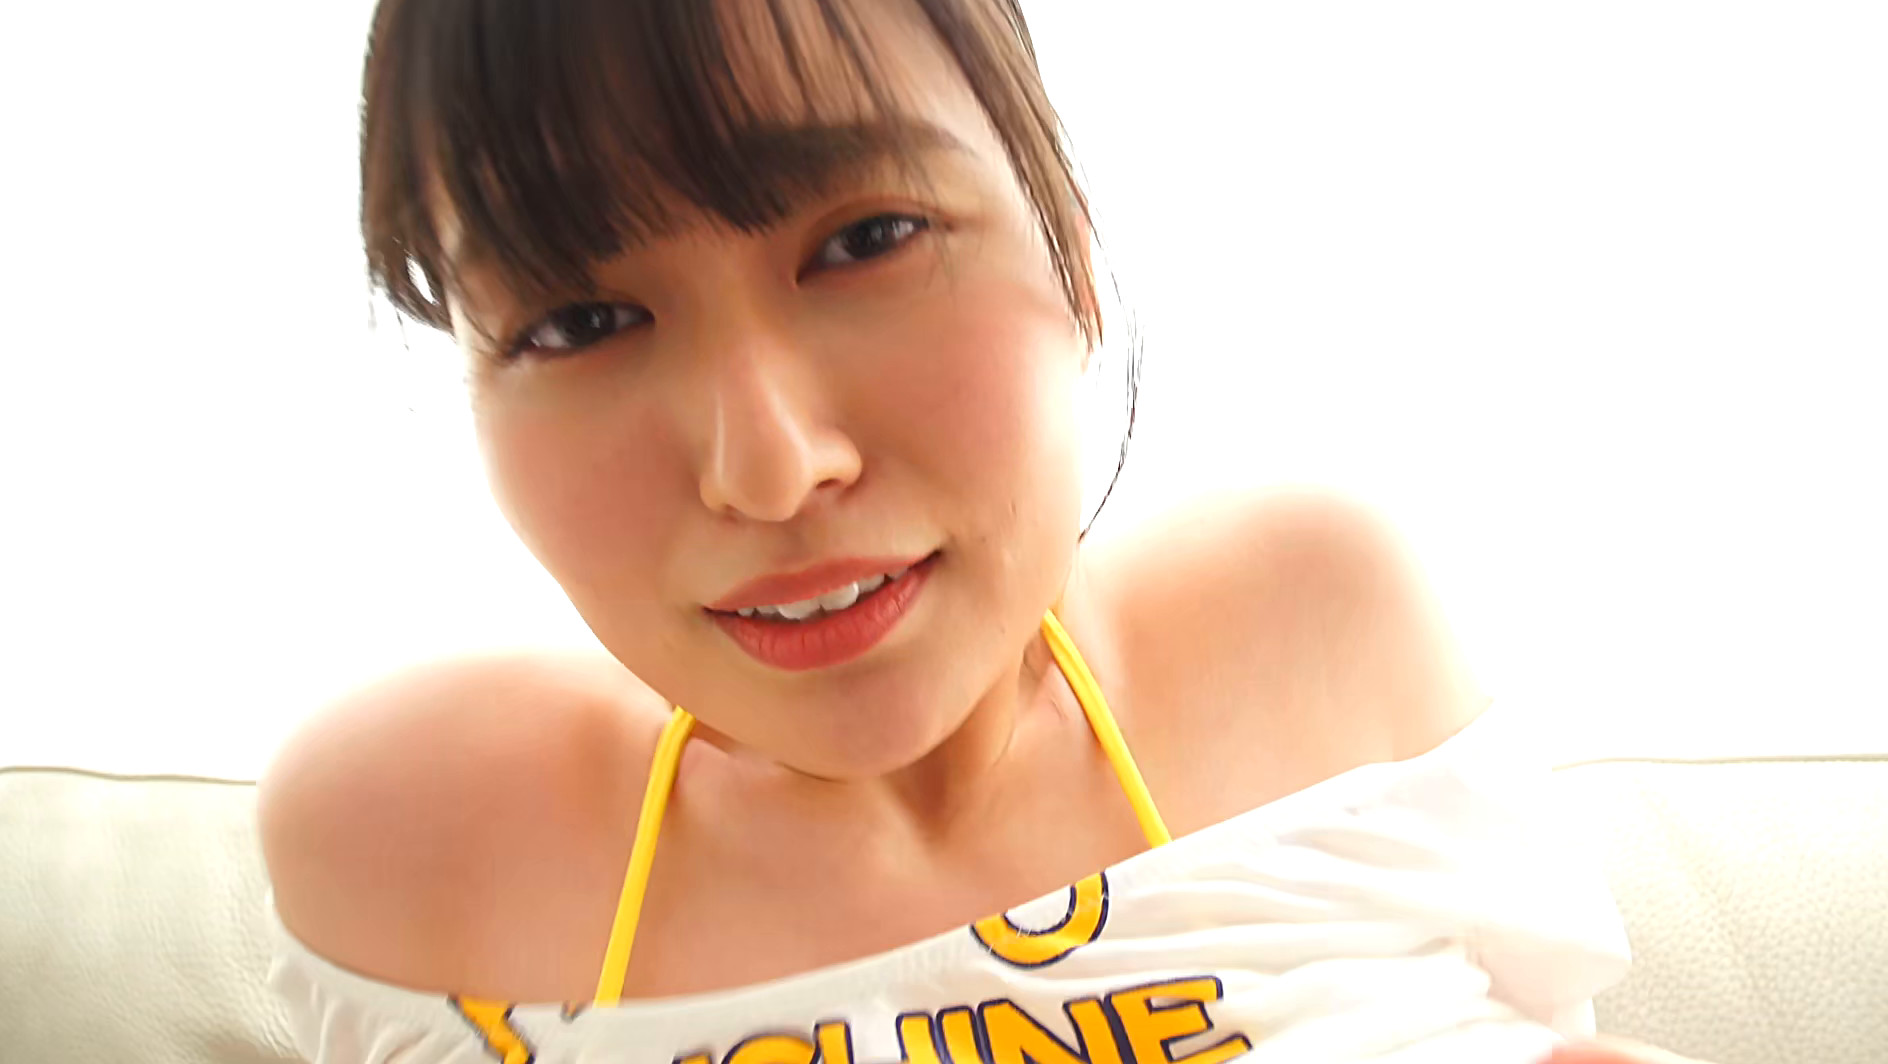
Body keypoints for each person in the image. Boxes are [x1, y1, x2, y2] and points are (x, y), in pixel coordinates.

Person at [257, 1, 1705, 1062]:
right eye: (580, 323)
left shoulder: (1323, 626)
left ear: (1068, 241)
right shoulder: (408, 844)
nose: (771, 469)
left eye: (865, 239)